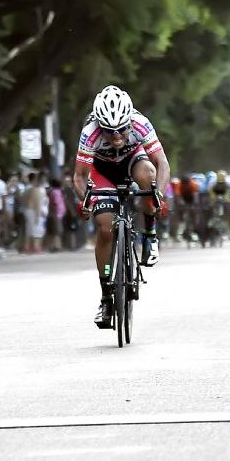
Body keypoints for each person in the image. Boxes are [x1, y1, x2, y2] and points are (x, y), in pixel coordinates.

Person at [73, 85, 170, 328]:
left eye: (122, 130)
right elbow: (79, 176)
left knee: (149, 173)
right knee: (105, 228)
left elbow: (162, 164)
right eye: (109, 131)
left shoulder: (140, 123)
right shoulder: (89, 132)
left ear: (130, 121)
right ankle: (106, 296)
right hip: (102, 171)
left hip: (132, 162)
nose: (116, 137)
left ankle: (149, 234)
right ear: (99, 127)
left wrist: (158, 195)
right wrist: (86, 200)